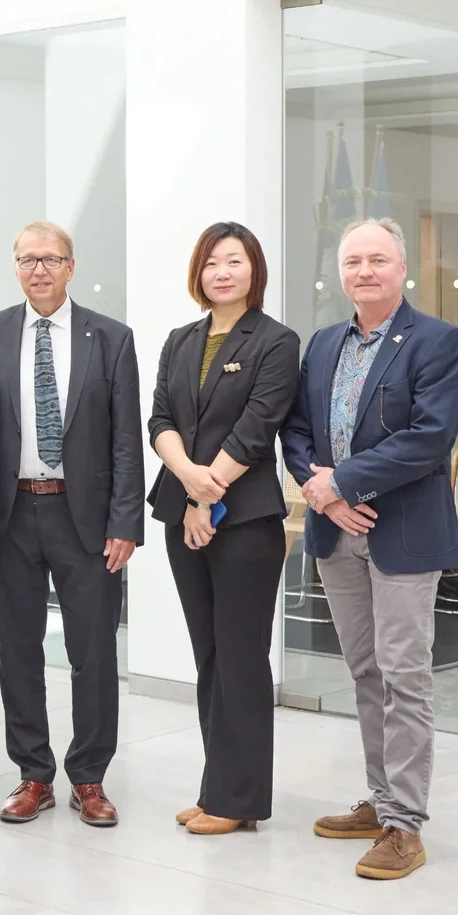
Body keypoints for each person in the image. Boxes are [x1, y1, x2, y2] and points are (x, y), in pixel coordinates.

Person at [283, 217, 458, 881]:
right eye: (353, 261)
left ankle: (405, 826)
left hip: (403, 533)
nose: (364, 270)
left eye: (377, 260)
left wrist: (343, 481)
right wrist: (324, 494)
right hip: (337, 531)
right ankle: (381, 800)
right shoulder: (324, 343)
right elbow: (297, 430)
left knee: (403, 674)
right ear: (340, 272)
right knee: (364, 671)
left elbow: (428, 436)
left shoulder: (438, 341)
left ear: (400, 269)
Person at [0, 220, 144, 827]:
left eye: (50, 259)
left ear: (71, 267)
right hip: (13, 512)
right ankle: (33, 774)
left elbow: (127, 440)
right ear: (15, 268)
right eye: (27, 259)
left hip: (88, 518)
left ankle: (90, 777)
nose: (38, 270)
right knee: (18, 649)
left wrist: (126, 520)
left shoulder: (111, 338)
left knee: (93, 651)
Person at [149, 222, 298, 836]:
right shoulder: (181, 339)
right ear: (198, 273)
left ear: (253, 269)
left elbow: (258, 426)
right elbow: (159, 415)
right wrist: (189, 482)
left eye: (234, 261)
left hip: (246, 520)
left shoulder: (276, 341)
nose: (222, 272)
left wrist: (208, 493)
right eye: (211, 262)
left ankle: (239, 800)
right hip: (185, 512)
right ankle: (218, 788)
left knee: (240, 657)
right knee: (208, 656)